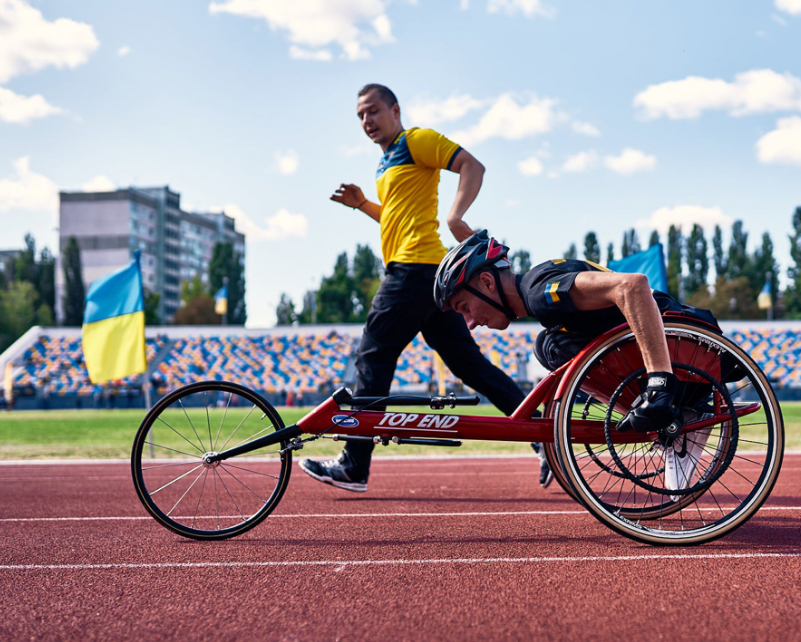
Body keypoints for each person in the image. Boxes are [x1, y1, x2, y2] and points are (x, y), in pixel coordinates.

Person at [299, 84, 529, 493]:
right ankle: (545, 436)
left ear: (395, 110)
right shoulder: (385, 164)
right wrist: (362, 205)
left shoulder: (416, 140)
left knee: (373, 356)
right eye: (360, 117)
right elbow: (397, 217)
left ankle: (354, 465)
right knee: (469, 366)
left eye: (373, 111)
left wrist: (457, 217)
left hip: (413, 272)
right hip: (426, 276)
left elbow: (473, 166)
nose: (367, 121)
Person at [434, 230, 725, 488]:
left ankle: (680, 410)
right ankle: (679, 411)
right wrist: (551, 439)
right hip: (684, 353)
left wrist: (660, 383)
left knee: (553, 346)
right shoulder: (540, 295)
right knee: (549, 346)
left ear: (487, 282)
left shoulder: (539, 293)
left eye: (464, 308)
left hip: (686, 350)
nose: (469, 323)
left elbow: (632, 286)